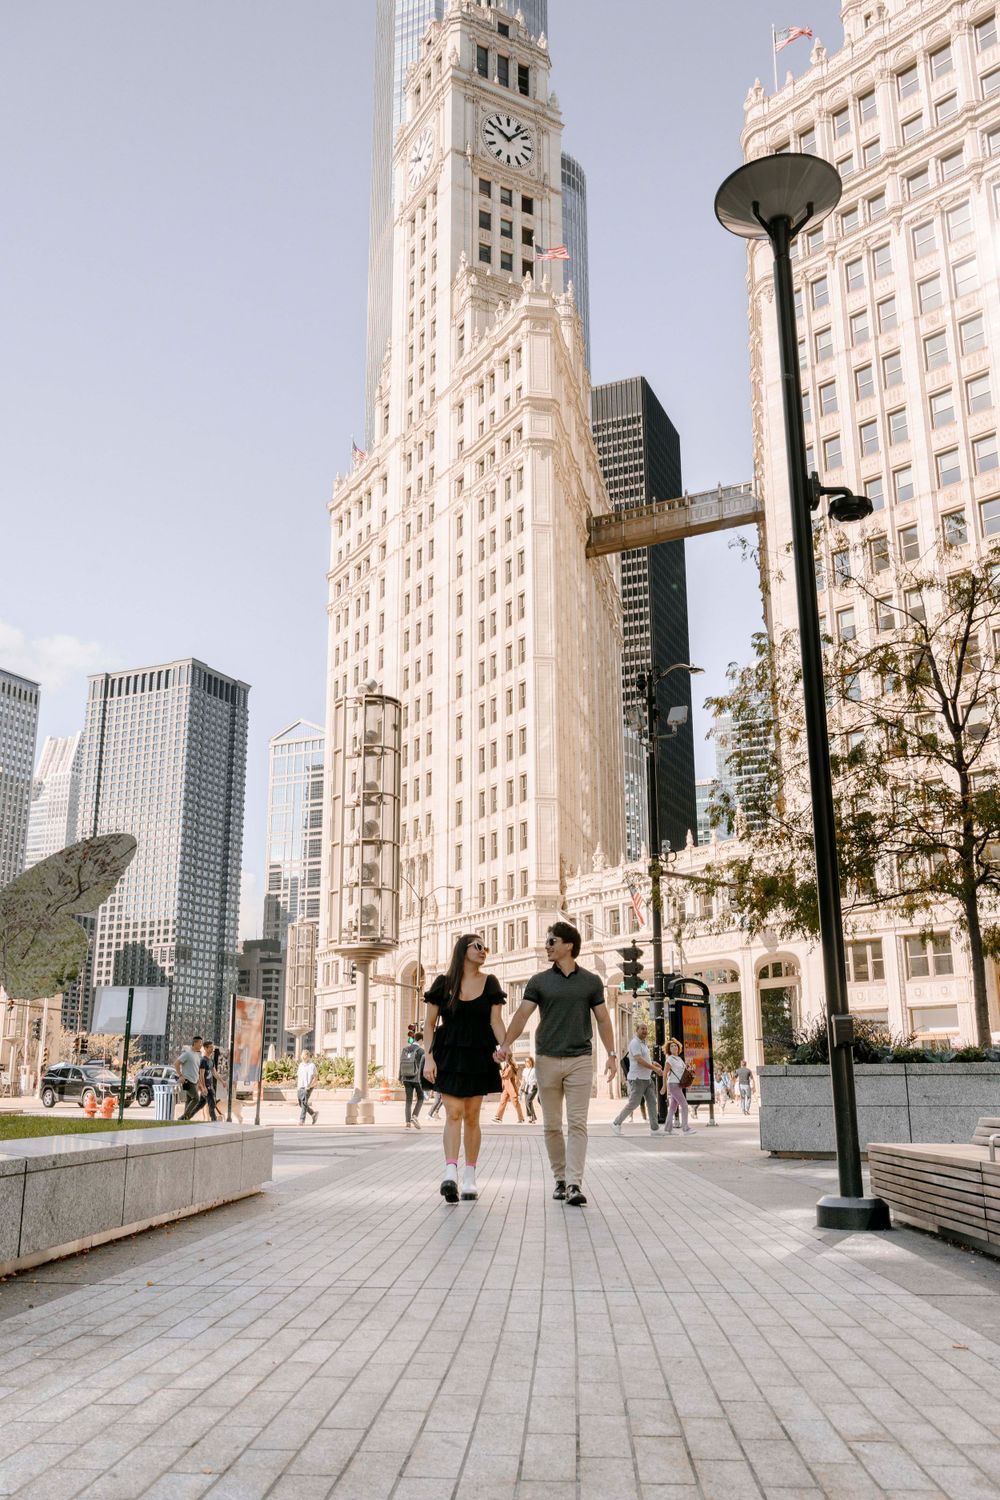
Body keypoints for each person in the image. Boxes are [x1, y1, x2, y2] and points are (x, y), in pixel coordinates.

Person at [500, 922, 617, 1207]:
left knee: (577, 1124)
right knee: (552, 1125)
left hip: (580, 1059)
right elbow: (522, 1015)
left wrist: (612, 1054)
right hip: (547, 1059)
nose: (547, 946)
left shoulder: (590, 981)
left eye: (552, 941)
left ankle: (575, 1184)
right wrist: (505, 1044)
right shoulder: (538, 981)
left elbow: (603, 1019)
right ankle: (561, 1179)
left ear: (569, 945)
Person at [423, 934, 505, 1202]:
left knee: (472, 1115)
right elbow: (429, 1024)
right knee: (453, 1113)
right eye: (478, 946)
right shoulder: (443, 983)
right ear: (463, 950)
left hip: (479, 1053)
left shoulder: (490, 982)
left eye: (486, 947)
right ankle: (450, 1173)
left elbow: (495, 1021)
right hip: (449, 1052)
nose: (484, 951)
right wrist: (428, 1057)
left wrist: (505, 1046)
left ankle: (470, 1176)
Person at [611, 1022, 662, 1136]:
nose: (645, 1031)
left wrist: (653, 1063)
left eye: (646, 1029)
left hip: (647, 1079)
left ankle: (655, 1129)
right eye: (642, 1029)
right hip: (637, 1079)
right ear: (637, 1030)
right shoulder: (635, 1043)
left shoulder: (644, 1044)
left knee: (652, 1102)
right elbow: (639, 1060)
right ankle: (616, 1123)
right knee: (634, 1103)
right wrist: (654, 1068)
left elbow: (644, 1059)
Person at [661, 1038, 691, 1135]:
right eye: (672, 1046)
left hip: (679, 1084)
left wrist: (688, 1083)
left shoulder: (679, 1059)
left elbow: (684, 1072)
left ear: (678, 1048)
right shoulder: (669, 1059)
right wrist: (664, 1086)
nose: (674, 1047)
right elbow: (665, 1073)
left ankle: (668, 1129)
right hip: (673, 1084)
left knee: (673, 1108)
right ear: (669, 1049)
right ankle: (685, 1129)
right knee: (684, 1105)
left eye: (675, 1046)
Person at [175, 1034, 205, 1120]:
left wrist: (199, 1083)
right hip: (187, 1081)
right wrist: (180, 1076)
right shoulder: (187, 1053)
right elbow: (177, 1063)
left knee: (188, 1101)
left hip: (195, 1082)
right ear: (195, 1043)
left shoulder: (197, 1055)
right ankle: (183, 1117)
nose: (201, 1045)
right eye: (200, 1043)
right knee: (196, 1099)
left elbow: (196, 1070)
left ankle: (185, 1119)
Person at [399, 1031, 425, 1129]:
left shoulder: (405, 1049)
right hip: (417, 1079)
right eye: (423, 1041)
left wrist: (400, 1077)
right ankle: (414, 1116)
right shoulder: (421, 1051)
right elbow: (423, 1066)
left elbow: (401, 1063)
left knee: (408, 1100)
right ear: (420, 1040)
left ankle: (407, 1122)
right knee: (421, 1098)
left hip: (406, 1077)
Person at [494, 1053, 525, 1122]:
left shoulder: (511, 1067)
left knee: (515, 1103)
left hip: (511, 1088)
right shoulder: (506, 1066)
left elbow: (505, 1076)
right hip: (506, 1087)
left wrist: (500, 1073)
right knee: (502, 1102)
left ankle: (521, 1118)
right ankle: (498, 1118)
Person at [198, 1039, 220, 1121]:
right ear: (205, 1048)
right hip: (205, 1086)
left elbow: (215, 1073)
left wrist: (222, 1081)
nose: (212, 1049)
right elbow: (201, 1075)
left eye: (212, 1047)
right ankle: (213, 1120)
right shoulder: (203, 1060)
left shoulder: (211, 1061)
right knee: (209, 1104)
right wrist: (203, 1087)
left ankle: (187, 1116)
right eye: (210, 1047)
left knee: (203, 1104)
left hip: (210, 1086)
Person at [297, 1049, 319, 1125]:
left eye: (305, 1057)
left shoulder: (312, 1065)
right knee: (301, 1104)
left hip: (308, 1087)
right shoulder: (300, 1065)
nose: (303, 1058)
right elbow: (299, 1077)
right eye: (302, 1057)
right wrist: (298, 1087)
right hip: (300, 1086)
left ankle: (302, 1120)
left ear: (308, 1056)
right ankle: (313, 1114)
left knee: (304, 1102)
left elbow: (315, 1078)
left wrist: (310, 1085)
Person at [521, 1056, 538, 1123]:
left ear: (531, 1062)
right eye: (525, 1061)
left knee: (528, 1101)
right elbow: (523, 1080)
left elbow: (538, 1079)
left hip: (533, 1087)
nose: (527, 1062)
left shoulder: (535, 1070)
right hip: (526, 1087)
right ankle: (530, 1117)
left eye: (528, 1061)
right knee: (526, 1102)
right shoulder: (524, 1070)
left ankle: (533, 1117)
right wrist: (521, 1087)